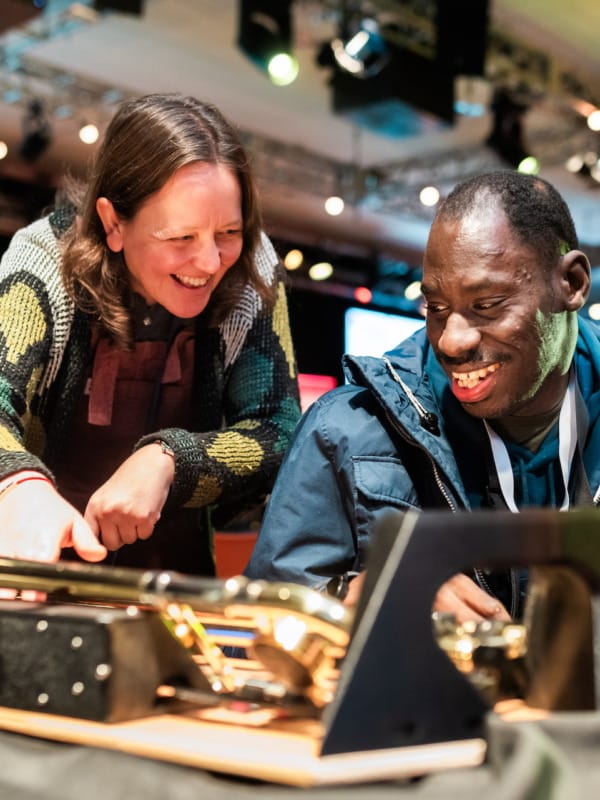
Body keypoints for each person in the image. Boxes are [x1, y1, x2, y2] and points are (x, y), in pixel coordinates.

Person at [245, 169, 599, 622]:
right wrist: (354, 597)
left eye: (486, 305)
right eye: (436, 308)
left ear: (571, 283)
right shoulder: (346, 430)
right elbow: (261, 621)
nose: (451, 341)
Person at [0, 92, 301, 573]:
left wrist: (171, 461)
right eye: (181, 237)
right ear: (112, 223)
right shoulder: (42, 262)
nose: (209, 262)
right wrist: (17, 483)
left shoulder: (253, 269)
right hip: (33, 572)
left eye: (228, 232)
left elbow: (279, 431)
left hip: (179, 585)